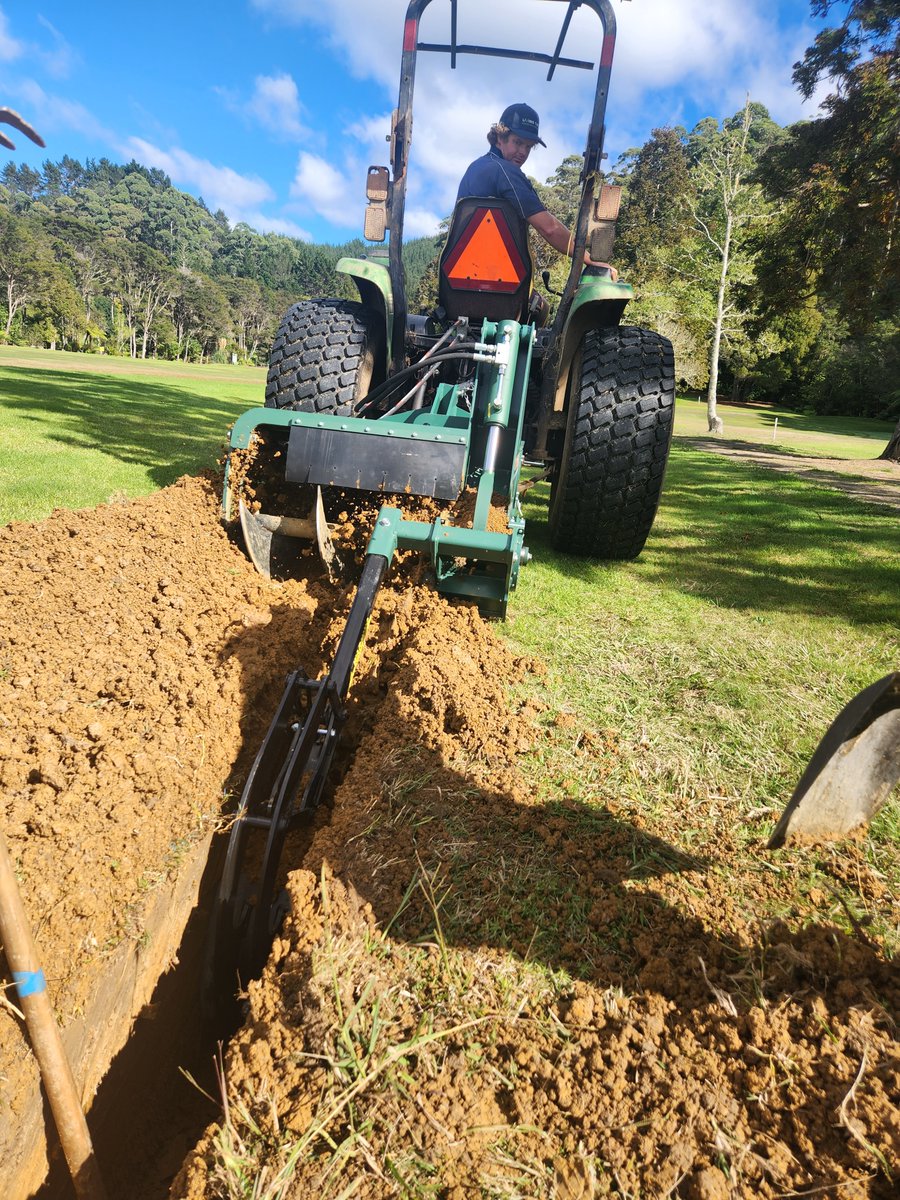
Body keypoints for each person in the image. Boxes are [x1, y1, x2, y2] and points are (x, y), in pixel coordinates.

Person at [456, 102, 618, 279]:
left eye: (528, 146)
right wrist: (589, 259)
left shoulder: (478, 167)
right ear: (499, 138)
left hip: (461, 275)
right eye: (517, 143)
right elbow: (549, 228)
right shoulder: (504, 171)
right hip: (488, 275)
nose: (523, 152)